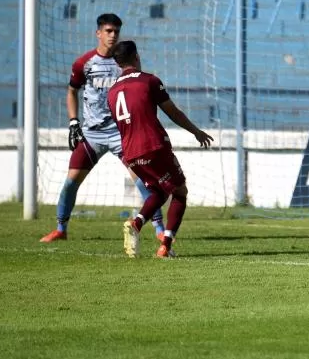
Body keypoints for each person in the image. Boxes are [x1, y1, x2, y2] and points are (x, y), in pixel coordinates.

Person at [40, 13, 165, 243]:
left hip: (121, 135)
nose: (113, 35)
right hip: (91, 135)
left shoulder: (124, 63)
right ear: (98, 33)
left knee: (142, 180)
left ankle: (159, 229)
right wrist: (73, 121)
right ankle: (61, 229)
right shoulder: (84, 63)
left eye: (116, 31)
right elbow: (71, 91)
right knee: (71, 181)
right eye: (108, 31)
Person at [108, 40, 213, 258]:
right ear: (136, 56)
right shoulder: (149, 81)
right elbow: (172, 112)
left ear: (118, 64)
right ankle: (165, 246)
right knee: (180, 192)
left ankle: (136, 223)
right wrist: (196, 131)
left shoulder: (112, 91)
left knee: (158, 191)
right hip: (154, 147)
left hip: (131, 154)